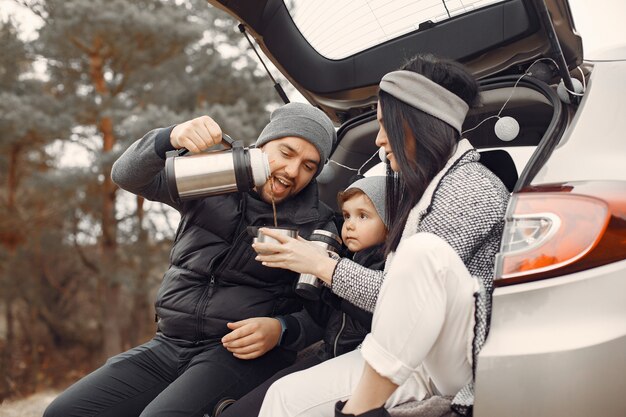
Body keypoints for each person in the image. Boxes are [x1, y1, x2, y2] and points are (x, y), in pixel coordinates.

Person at [251, 53, 510, 417]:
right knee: (284, 397)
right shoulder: (427, 191)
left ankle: (360, 409)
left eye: (384, 124)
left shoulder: (469, 188)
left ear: (416, 123)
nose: (378, 140)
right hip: (415, 352)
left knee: (423, 251)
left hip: (460, 357)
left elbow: (400, 300)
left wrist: (321, 265)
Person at [43, 102, 339, 417]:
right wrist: (169, 137)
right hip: (169, 343)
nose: (292, 171)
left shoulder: (319, 225)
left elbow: (327, 312)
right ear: (263, 144)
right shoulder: (212, 180)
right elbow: (127, 175)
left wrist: (281, 329)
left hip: (236, 355)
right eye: (287, 152)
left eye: (309, 166)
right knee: (64, 412)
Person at [220, 175, 388, 417]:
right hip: (328, 353)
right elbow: (325, 319)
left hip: (353, 363)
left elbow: (373, 314)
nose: (350, 224)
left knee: (276, 396)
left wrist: (330, 275)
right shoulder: (347, 258)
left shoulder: (384, 268)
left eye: (363, 216)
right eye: (347, 215)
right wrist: (307, 279)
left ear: (389, 222)